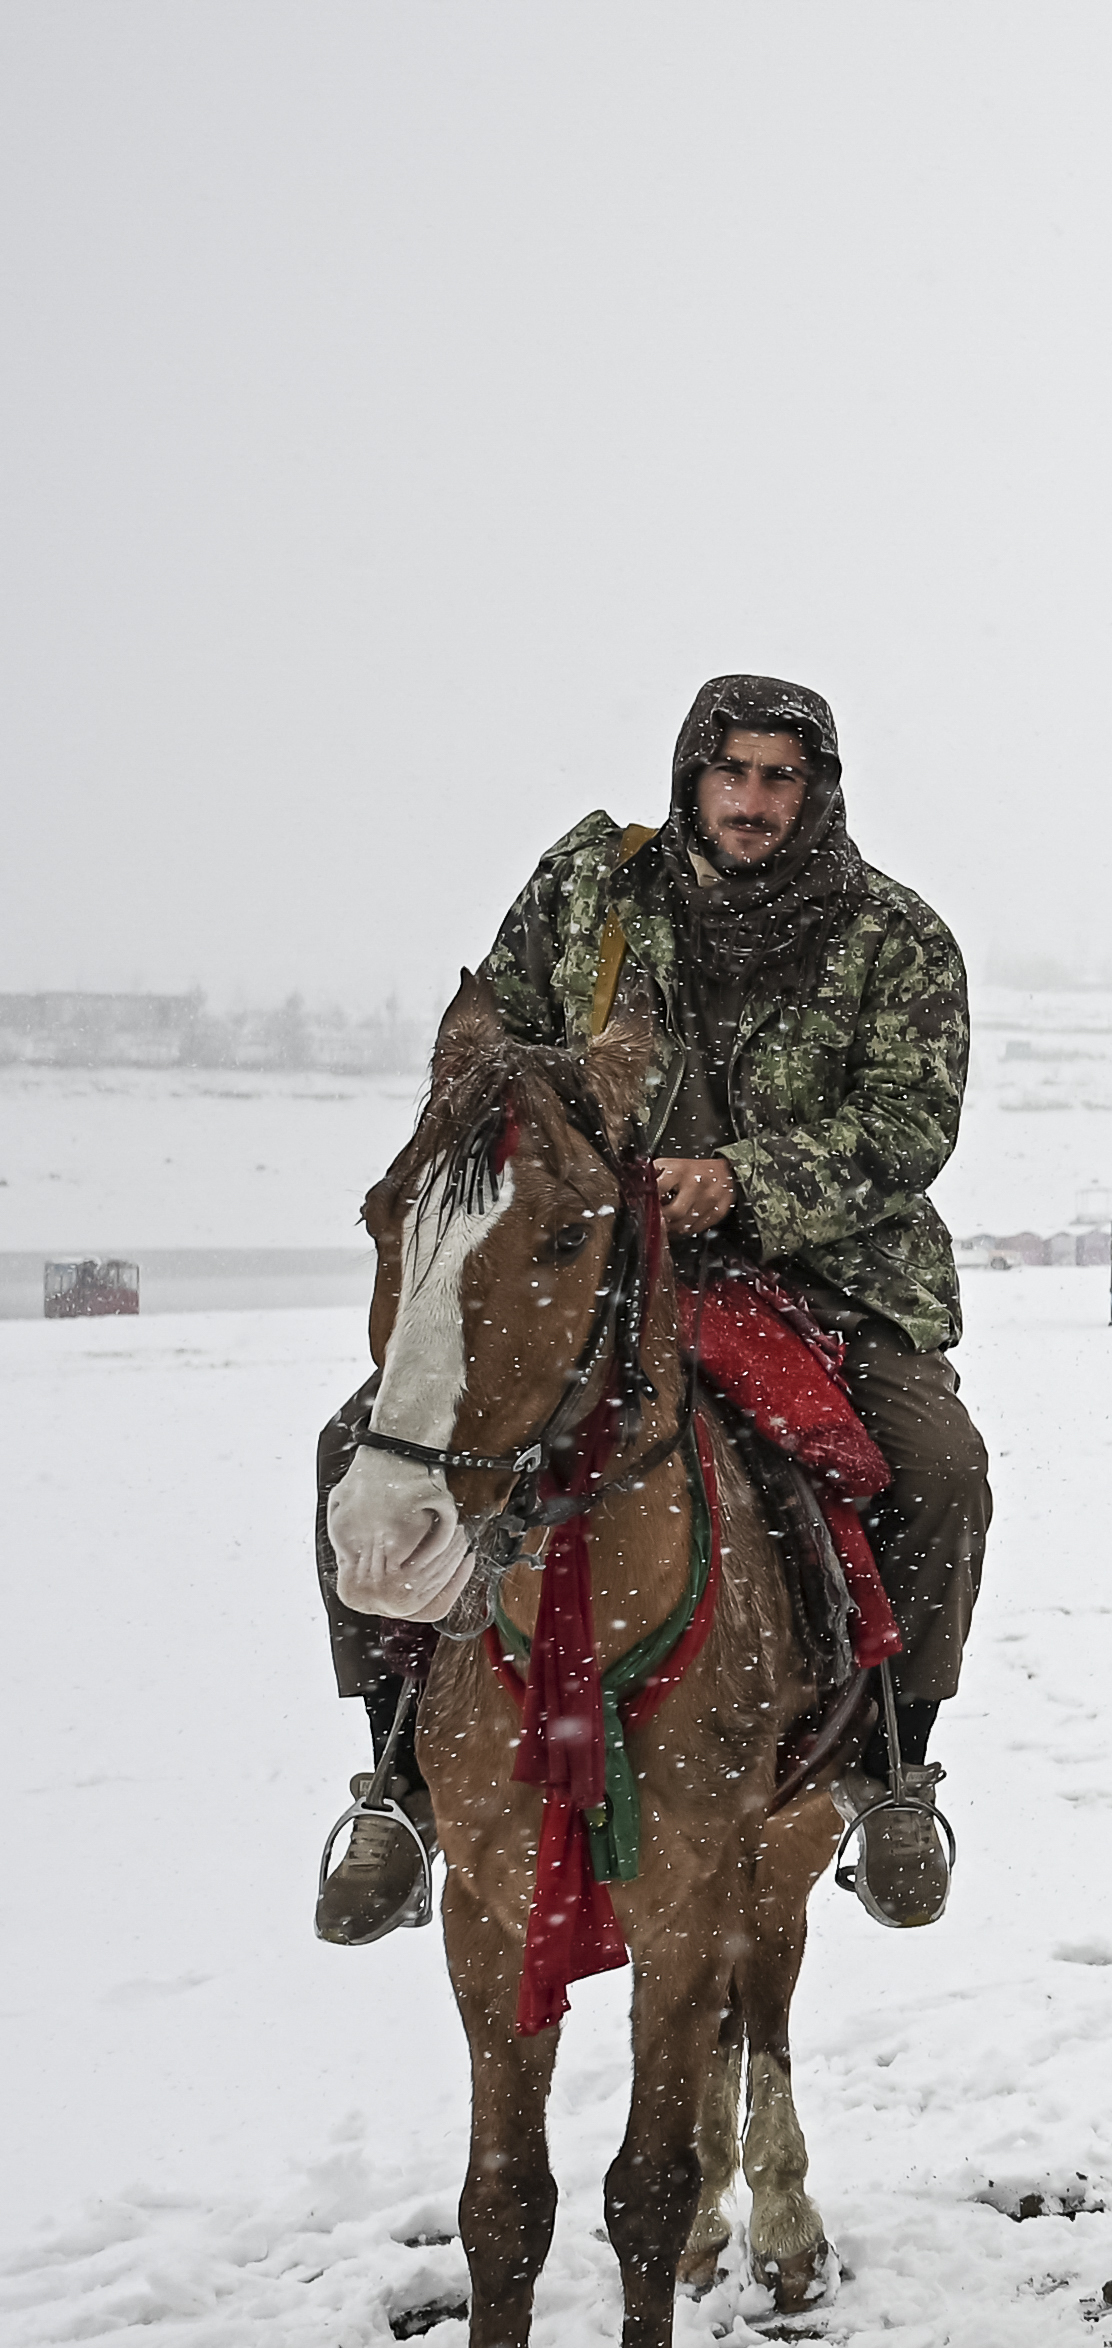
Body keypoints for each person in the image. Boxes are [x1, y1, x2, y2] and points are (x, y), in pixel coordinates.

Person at [313, 673, 988, 1940]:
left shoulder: (895, 937)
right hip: (589, 1261)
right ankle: (397, 1774)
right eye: (730, 771)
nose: (752, 800)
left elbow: (910, 1125)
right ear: (691, 774)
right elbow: (493, 1053)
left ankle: (894, 1765)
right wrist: (554, 1177)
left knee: (940, 1465)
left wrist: (742, 1180)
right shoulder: (590, 891)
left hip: (819, 1270)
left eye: (780, 777)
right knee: (359, 1448)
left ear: (818, 790)